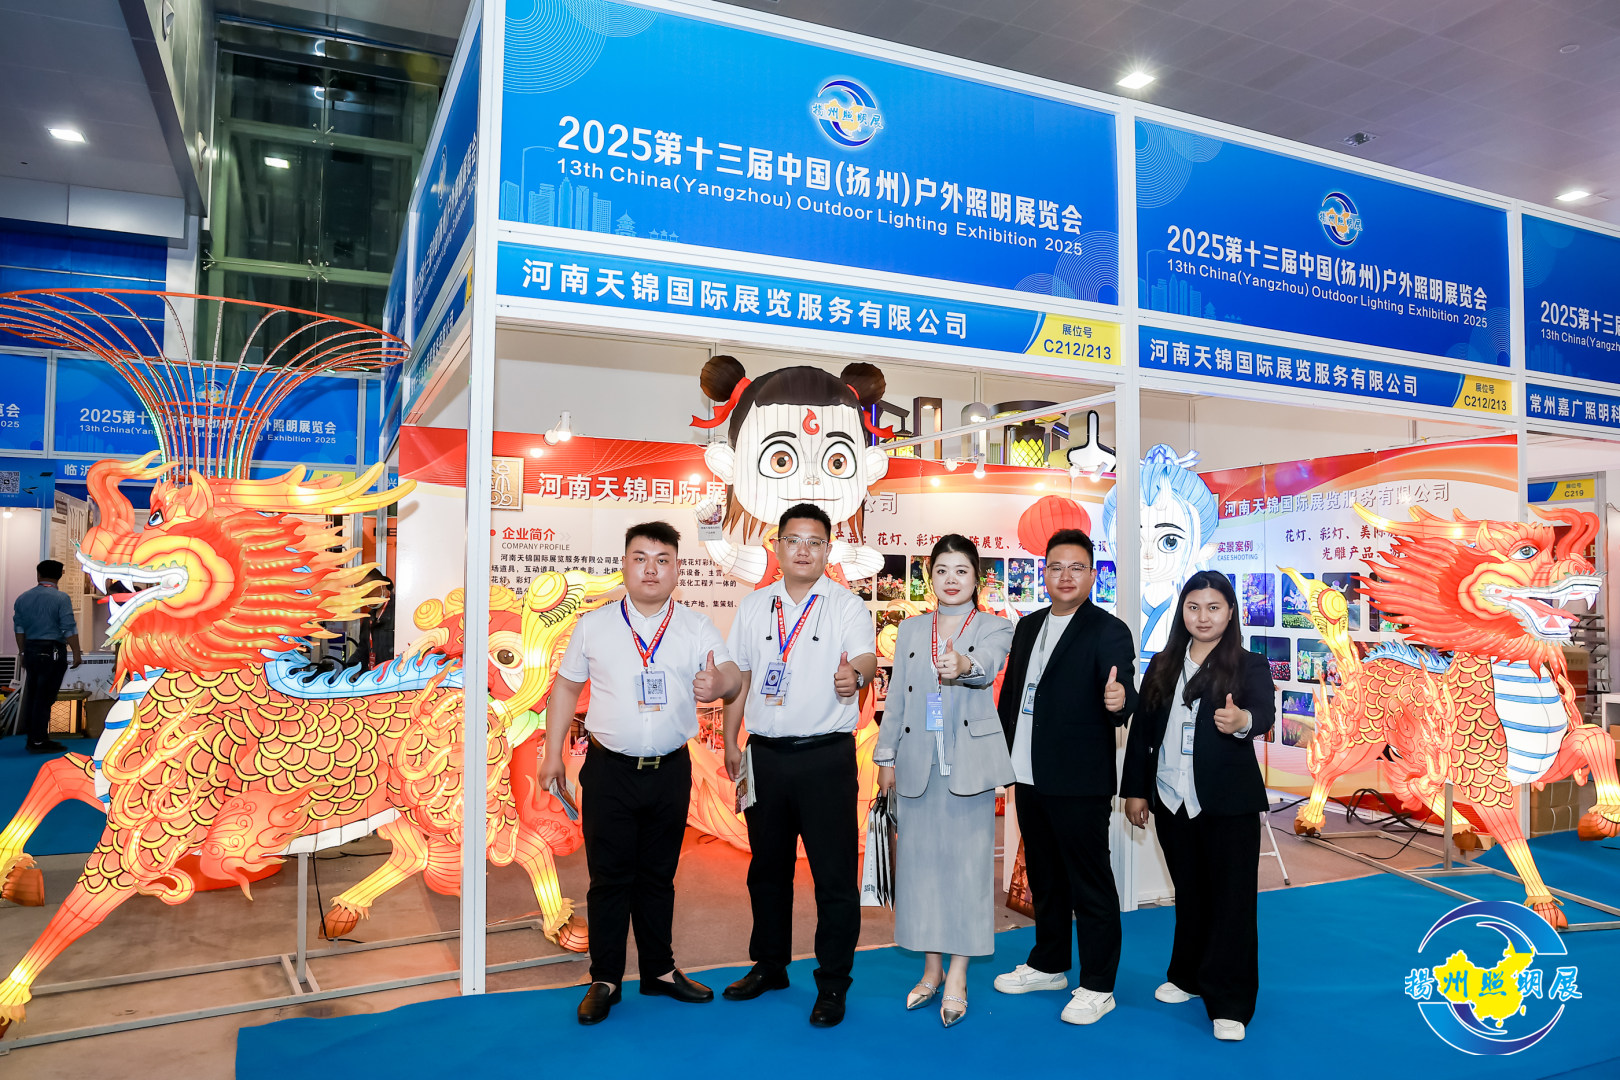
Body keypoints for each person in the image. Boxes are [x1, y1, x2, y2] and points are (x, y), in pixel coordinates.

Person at [540, 522, 744, 1025]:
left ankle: (659, 971)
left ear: (677, 569)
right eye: (640, 558)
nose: (651, 569)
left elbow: (732, 677)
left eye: (662, 560)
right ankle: (605, 979)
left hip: (670, 771)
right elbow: (565, 688)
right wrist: (551, 753)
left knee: (658, 877)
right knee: (608, 880)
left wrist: (719, 683)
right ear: (624, 565)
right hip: (609, 772)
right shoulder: (594, 626)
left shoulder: (696, 626)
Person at [721, 501, 879, 1028]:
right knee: (766, 870)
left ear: (828, 550)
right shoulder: (754, 606)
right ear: (778, 546)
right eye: (794, 540)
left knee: (834, 875)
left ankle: (832, 983)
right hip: (764, 756)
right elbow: (741, 678)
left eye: (815, 542)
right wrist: (732, 742)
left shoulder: (846, 606)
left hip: (825, 758)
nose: (804, 550)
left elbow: (865, 658)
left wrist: (856, 677)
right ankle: (770, 966)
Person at [1122, 570, 1275, 1042]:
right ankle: (1187, 975)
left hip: (1227, 804)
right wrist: (1135, 790)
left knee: (1231, 902)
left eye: (1213, 607)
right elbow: (1142, 731)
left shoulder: (1249, 665)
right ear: (1181, 611)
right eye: (1193, 607)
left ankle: (1230, 1002)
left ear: (1230, 612)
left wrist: (1242, 719)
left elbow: (1264, 714)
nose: (1203, 617)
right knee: (1189, 893)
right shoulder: (1163, 663)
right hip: (1171, 799)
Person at [993, 529, 1137, 1025]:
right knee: (1045, 877)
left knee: (1089, 883)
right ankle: (1049, 963)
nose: (1066, 576)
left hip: (1079, 780)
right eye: (1056, 567)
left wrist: (1120, 701)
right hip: (1028, 774)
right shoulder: (1029, 625)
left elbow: (1124, 691)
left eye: (1077, 567)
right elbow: (1013, 696)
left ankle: (1098, 984)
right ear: (1045, 573)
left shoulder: (1107, 629)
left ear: (1092, 575)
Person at [874, 534, 1014, 1027]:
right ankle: (931, 970)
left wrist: (964, 665)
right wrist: (885, 757)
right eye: (941, 570)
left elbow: (987, 666)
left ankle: (958, 974)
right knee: (922, 871)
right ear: (928, 576)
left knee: (968, 872)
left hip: (968, 765)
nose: (951, 580)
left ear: (977, 578)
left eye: (961, 570)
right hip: (917, 763)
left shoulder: (997, 626)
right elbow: (896, 699)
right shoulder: (912, 630)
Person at [13, 559, 83, 754]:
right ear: (59, 576)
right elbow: (68, 627)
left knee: (34, 695)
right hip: (52, 651)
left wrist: (23, 652)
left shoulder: (23, 598)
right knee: (45, 697)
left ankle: (35, 737)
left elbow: (19, 628)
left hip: (31, 649)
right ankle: (38, 740)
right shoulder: (61, 598)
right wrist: (76, 652)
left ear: (38, 575)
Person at [355, 571, 395, 667]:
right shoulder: (368, 618)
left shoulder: (398, 613)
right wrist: (351, 668)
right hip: (373, 673)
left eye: (369, 592)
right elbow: (363, 650)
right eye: (361, 593)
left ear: (382, 586)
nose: (365, 597)